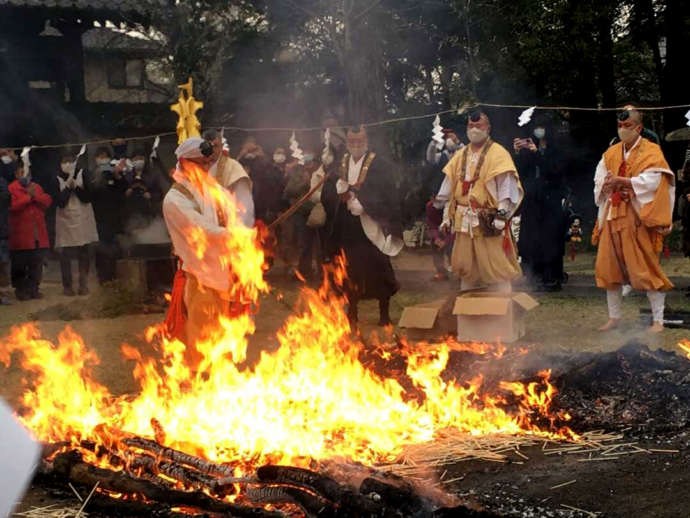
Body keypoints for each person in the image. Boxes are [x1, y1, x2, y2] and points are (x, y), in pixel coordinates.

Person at [593, 106, 675, 333]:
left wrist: (626, 182)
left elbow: (654, 181)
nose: (623, 130)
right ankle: (614, 318)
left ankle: (658, 320)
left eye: (627, 126)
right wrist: (608, 185)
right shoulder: (611, 152)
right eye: (620, 126)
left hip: (637, 217)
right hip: (613, 214)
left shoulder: (652, 151)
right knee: (609, 269)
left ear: (639, 128)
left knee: (645, 268)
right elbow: (600, 178)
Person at [162, 137, 238, 366]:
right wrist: (239, 236)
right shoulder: (175, 199)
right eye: (201, 164)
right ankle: (199, 388)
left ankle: (221, 385)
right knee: (201, 340)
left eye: (208, 163)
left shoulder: (216, 191)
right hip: (198, 278)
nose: (206, 168)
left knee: (225, 337)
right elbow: (202, 231)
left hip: (224, 276)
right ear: (185, 163)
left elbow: (232, 219)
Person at [321, 126, 403, 327]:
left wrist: (365, 204)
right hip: (347, 225)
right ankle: (352, 311)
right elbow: (327, 193)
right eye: (352, 142)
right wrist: (339, 196)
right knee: (349, 269)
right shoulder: (341, 164)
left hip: (372, 223)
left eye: (359, 141)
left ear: (366, 141)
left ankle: (384, 313)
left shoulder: (380, 165)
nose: (355, 145)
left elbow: (387, 193)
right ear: (348, 142)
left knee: (378, 267)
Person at [441, 111, 523, 292]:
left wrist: (502, 214)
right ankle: (468, 308)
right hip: (463, 221)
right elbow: (449, 190)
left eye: (479, 126)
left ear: (488, 128)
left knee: (496, 266)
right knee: (465, 267)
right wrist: (446, 216)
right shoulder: (460, 154)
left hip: (488, 220)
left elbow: (506, 188)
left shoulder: (499, 153)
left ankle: (502, 307)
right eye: (471, 126)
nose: (475, 130)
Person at [514, 120, 568, 291]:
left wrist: (537, 153)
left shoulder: (556, 150)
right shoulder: (530, 148)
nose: (539, 131)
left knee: (550, 239)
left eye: (542, 127)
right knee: (530, 238)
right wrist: (518, 152)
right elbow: (520, 172)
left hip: (551, 200)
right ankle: (532, 276)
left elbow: (554, 171)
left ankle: (551, 277)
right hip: (532, 200)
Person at [54, 150, 99, 296]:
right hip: (65, 218)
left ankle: (83, 284)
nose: (67, 164)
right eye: (64, 161)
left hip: (83, 216)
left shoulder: (83, 174)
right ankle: (67, 286)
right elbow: (60, 202)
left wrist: (76, 188)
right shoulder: (56, 177)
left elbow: (88, 197)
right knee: (65, 253)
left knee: (84, 251)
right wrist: (68, 187)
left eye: (70, 161)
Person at [8, 160, 52, 300]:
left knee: (36, 265)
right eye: (22, 173)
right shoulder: (11, 188)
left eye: (27, 173)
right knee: (19, 266)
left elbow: (47, 201)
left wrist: (35, 196)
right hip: (19, 237)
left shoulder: (36, 187)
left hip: (37, 235)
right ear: (16, 174)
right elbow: (12, 206)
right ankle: (21, 290)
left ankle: (34, 289)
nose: (25, 176)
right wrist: (28, 197)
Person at [203, 129, 255, 227]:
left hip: (229, 227)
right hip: (204, 228)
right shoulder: (195, 168)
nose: (212, 150)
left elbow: (244, 203)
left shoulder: (233, 167)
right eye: (209, 146)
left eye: (216, 146)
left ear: (221, 146)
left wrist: (241, 229)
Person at [90, 147, 127, 283]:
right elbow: (90, 194)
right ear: (95, 159)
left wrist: (118, 176)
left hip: (115, 217)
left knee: (115, 248)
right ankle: (102, 277)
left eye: (105, 156)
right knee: (100, 249)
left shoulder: (114, 173)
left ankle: (115, 276)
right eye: (100, 156)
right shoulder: (92, 173)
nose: (103, 159)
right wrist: (97, 179)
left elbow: (123, 191)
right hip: (98, 217)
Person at [123, 147, 162, 233]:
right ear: (132, 161)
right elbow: (119, 195)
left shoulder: (153, 176)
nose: (138, 161)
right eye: (136, 159)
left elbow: (160, 194)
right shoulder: (126, 177)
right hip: (130, 213)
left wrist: (151, 195)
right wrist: (126, 194)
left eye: (141, 158)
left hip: (149, 212)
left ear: (145, 160)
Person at [0, 149, 14, 304]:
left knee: (2, 264)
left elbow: (6, 198)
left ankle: (3, 295)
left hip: (1, 232)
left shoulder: (2, 183)